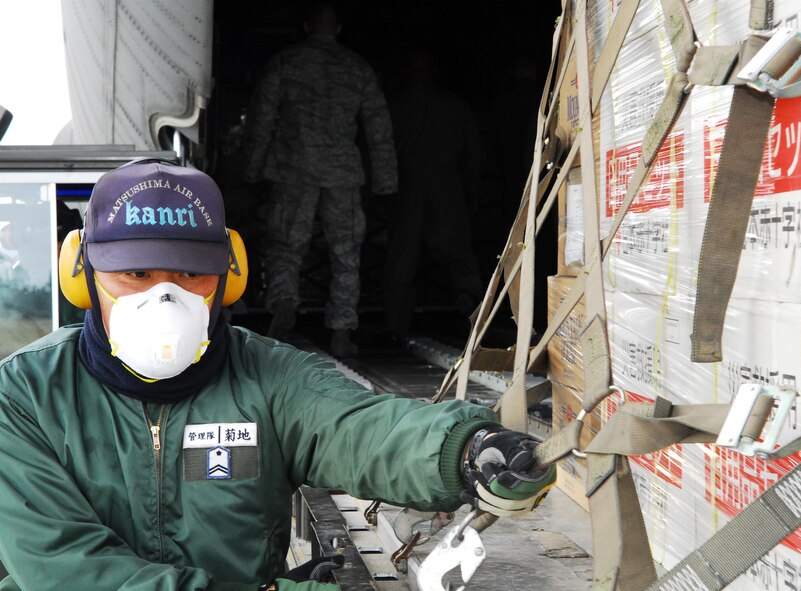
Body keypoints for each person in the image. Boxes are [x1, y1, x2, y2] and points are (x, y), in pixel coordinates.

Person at [0, 160, 555, 591]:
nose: (161, 298)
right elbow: (67, 568)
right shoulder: (23, 396)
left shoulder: (269, 378)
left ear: (229, 279)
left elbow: (362, 428)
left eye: (191, 274)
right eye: (135, 274)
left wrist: (464, 450)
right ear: (82, 277)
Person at [243, 1, 398, 358]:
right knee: (346, 252)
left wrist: (252, 168)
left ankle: (283, 305)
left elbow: (261, 117)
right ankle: (342, 331)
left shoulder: (285, 62)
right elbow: (378, 127)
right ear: (339, 29)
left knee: (285, 246)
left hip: (292, 172)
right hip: (342, 174)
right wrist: (385, 181)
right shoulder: (357, 68)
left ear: (305, 27)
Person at [383, 48, 484, 339]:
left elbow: (377, 152)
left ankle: (396, 326)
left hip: (405, 187)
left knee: (402, 257)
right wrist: (470, 194)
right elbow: (475, 156)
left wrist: (380, 196)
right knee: (459, 254)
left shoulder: (393, 106)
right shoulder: (456, 105)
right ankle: (473, 316)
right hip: (448, 187)